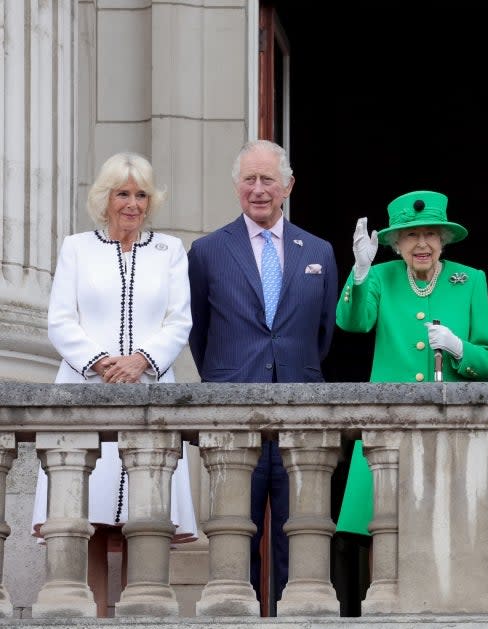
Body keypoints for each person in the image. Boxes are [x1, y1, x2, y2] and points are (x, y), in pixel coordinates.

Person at [33, 151, 198, 617]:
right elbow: (60, 320)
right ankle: (95, 618)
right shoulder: (76, 248)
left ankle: (138, 619)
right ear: (105, 199)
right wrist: (101, 361)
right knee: (89, 514)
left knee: (142, 520)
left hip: (149, 391)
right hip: (87, 390)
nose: (132, 203)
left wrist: (140, 360)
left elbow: (178, 320)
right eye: (123, 193)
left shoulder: (169, 251)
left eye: (141, 194)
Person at [187, 139, 339, 611]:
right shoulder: (207, 251)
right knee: (235, 533)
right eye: (249, 179)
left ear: (288, 186)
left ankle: (298, 619)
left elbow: (323, 333)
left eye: (268, 179)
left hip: (300, 413)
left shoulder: (318, 250)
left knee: (300, 534)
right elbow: (200, 331)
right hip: (233, 413)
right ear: (237, 187)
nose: (258, 189)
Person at [334, 190, 488, 591]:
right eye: (410, 236)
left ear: (444, 239)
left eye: (430, 234)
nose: (421, 244)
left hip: (451, 428)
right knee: (384, 527)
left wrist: (460, 348)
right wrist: (358, 273)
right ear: (396, 244)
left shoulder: (470, 280)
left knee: (450, 532)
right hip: (390, 426)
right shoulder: (380, 277)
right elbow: (353, 323)